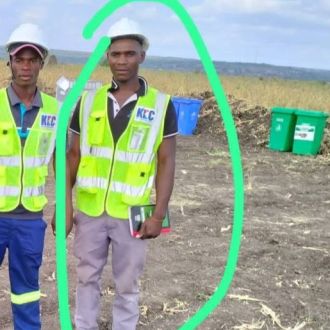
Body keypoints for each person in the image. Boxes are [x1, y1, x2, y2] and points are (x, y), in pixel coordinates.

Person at [66, 17, 178, 330]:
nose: (122, 60)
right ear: (107, 58)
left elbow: (167, 161)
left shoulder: (161, 105)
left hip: (134, 214)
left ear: (142, 56)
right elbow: (72, 155)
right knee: (86, 278)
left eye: (129, 53)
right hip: (90, 210)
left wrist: (158, 214)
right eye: (115, 54)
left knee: (128, 286)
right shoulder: (89, 101)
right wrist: (65, 204)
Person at [0, 23, 59, 329]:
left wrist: (63, 206)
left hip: (29, 219)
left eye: (31, 59)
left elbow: (60, 162)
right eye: (19, 59)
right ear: (9, 62)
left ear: (41, 63)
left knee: (26, 292)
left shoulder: (55, 110)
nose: (25, 66)